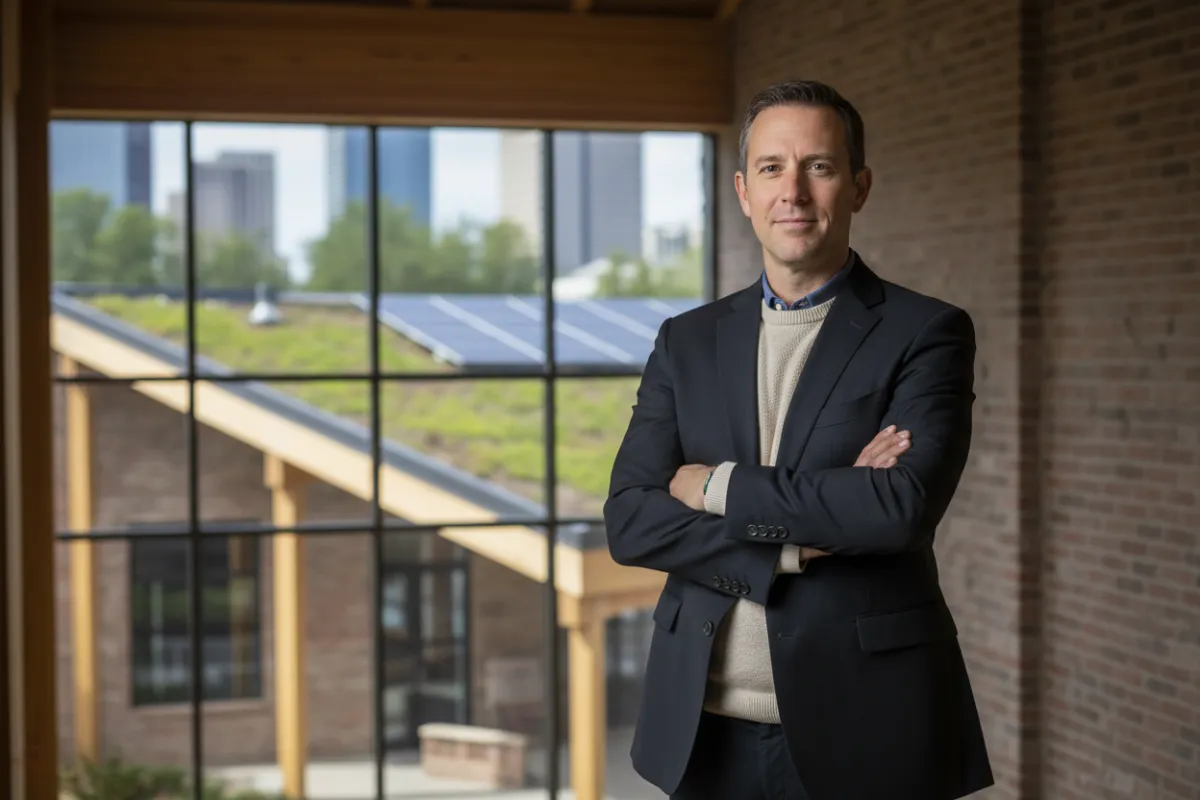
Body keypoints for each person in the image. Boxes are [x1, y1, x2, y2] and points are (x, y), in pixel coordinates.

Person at [603, 80, 994, 800]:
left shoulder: (926, 332)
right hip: (704, 728)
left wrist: (713, 486)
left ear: (859, 187)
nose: (794, 192)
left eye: (819, 166)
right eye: (771, 168)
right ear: (743, 191)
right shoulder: (686, 341)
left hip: (866, 723)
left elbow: (897, 509)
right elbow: (630, 520)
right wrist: (795, 540)